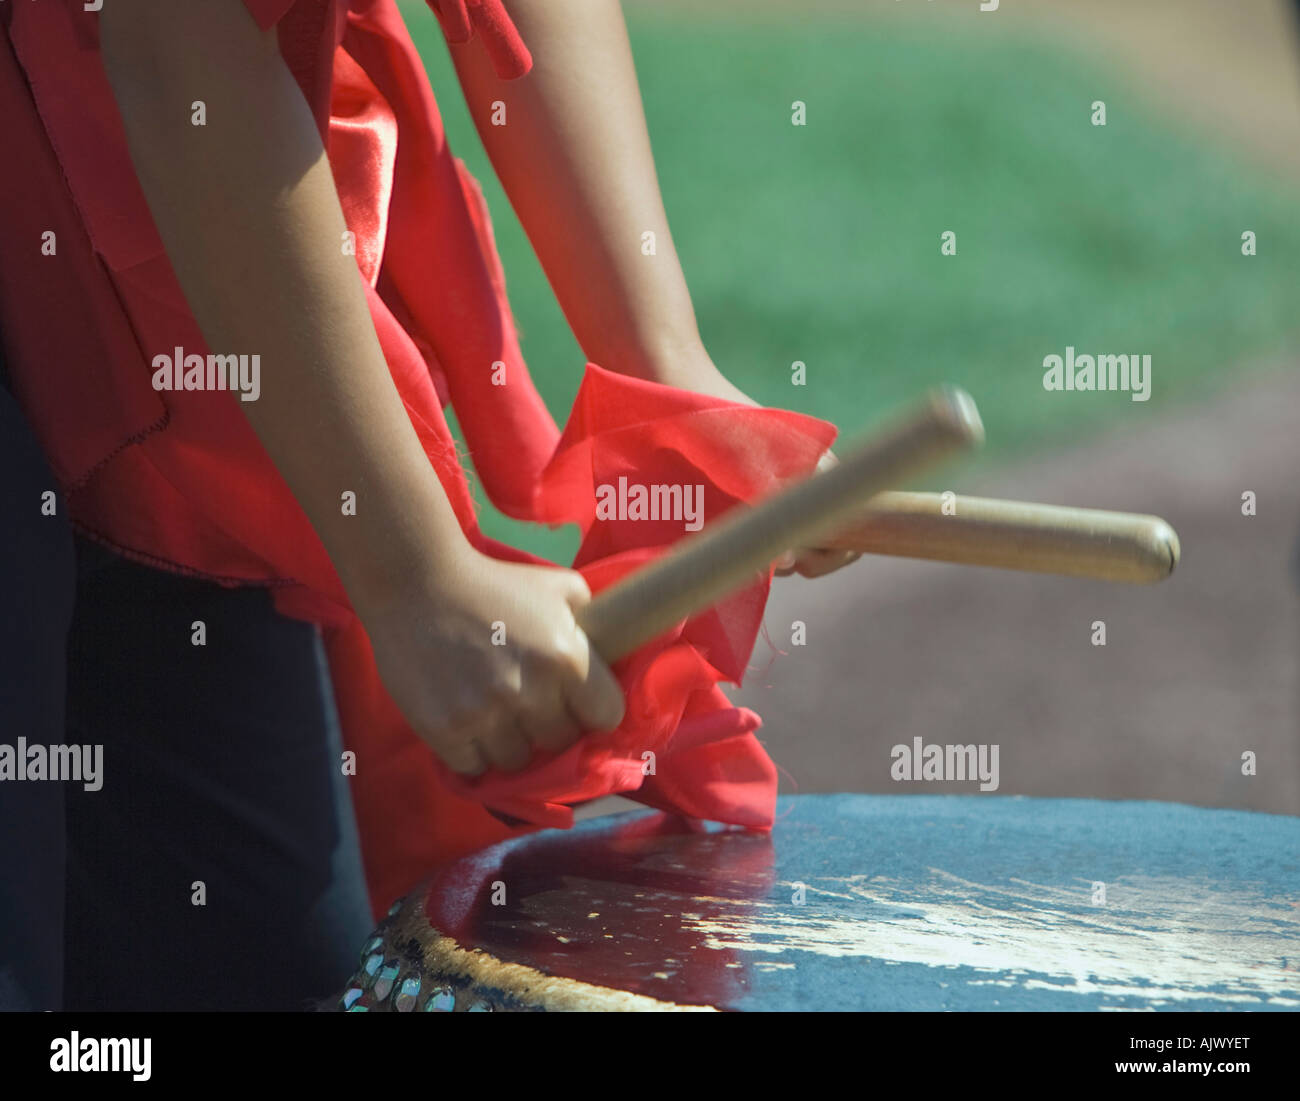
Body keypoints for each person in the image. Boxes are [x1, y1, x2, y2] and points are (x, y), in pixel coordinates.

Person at [0, 0, 853, 1010]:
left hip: (151, 309)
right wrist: (413, 575)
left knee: (262, 970)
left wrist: (671, 379)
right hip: (109, 211)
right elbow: (182, 46)